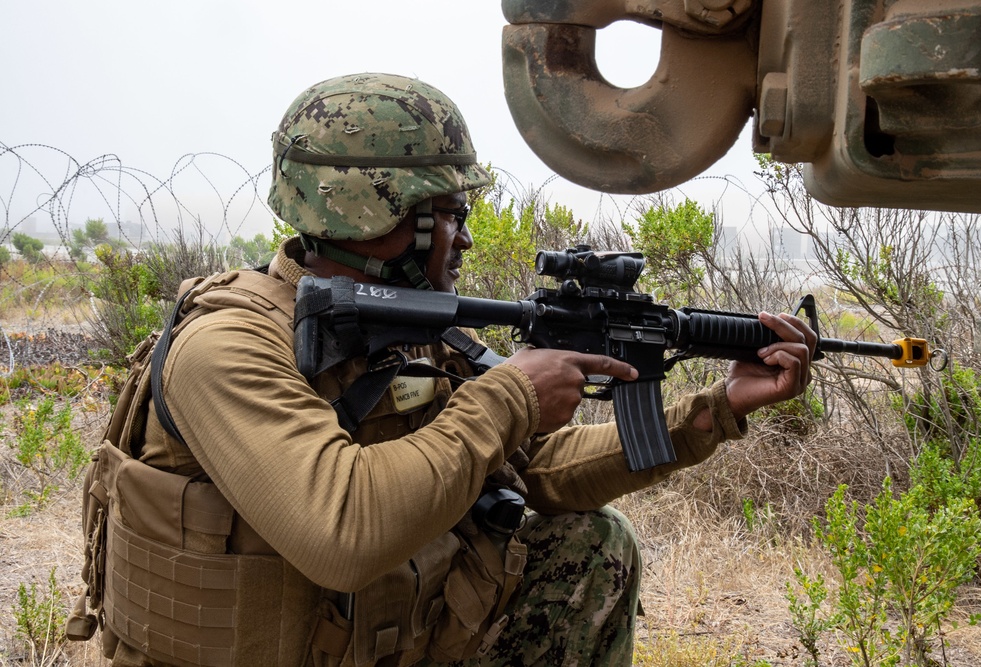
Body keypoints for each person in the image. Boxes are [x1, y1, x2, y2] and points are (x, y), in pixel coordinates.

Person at [69, 73, 816, 667]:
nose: (462, 238)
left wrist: (712, 410)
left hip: (370, 641)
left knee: (594, 543)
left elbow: (533, 467)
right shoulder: (227, 347)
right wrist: (510, 397)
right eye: (450, 213)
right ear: (378, 212)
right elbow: (341, 527)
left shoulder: (408, 319)